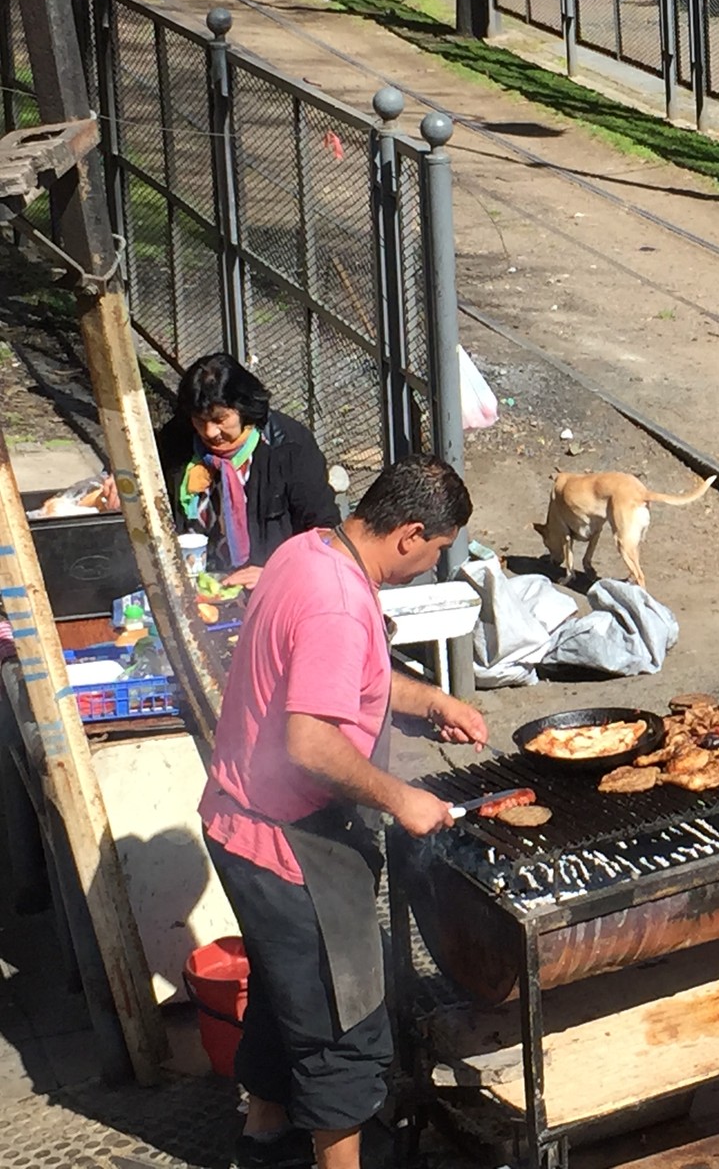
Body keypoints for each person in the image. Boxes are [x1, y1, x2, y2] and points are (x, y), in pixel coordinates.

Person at [199, 453, 486, 1169]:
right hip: (288, 842)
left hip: (237, 821)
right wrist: (402, 797)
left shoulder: (308, 551)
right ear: (410, 532)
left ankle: (265, 1137)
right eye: (437, 552)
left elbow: (347, 678)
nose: (430, 566)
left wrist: (431, 702)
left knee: (282, 984)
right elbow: (310, 742)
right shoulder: (337, 600)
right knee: (343, 1023)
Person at [148, 352, 340, 589]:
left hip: (272, 586)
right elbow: (146, 478)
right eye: (199, 421)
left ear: (243, 409)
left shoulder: (290, 447)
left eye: (220, 419)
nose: (209, 432)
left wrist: (277, 573)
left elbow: (326, 532)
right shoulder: (177, 439)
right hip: (196, 584)